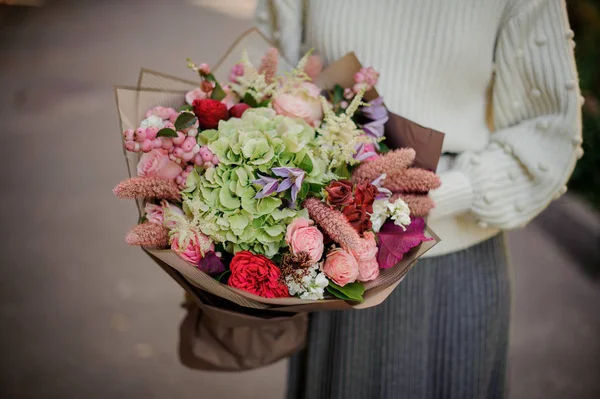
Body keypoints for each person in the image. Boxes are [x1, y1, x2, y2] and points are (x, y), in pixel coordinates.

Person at [256, 0, 582, 398]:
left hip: (448, 266)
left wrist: (431, 196)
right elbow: (273, 80)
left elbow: (547, 133)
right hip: (328, 262)